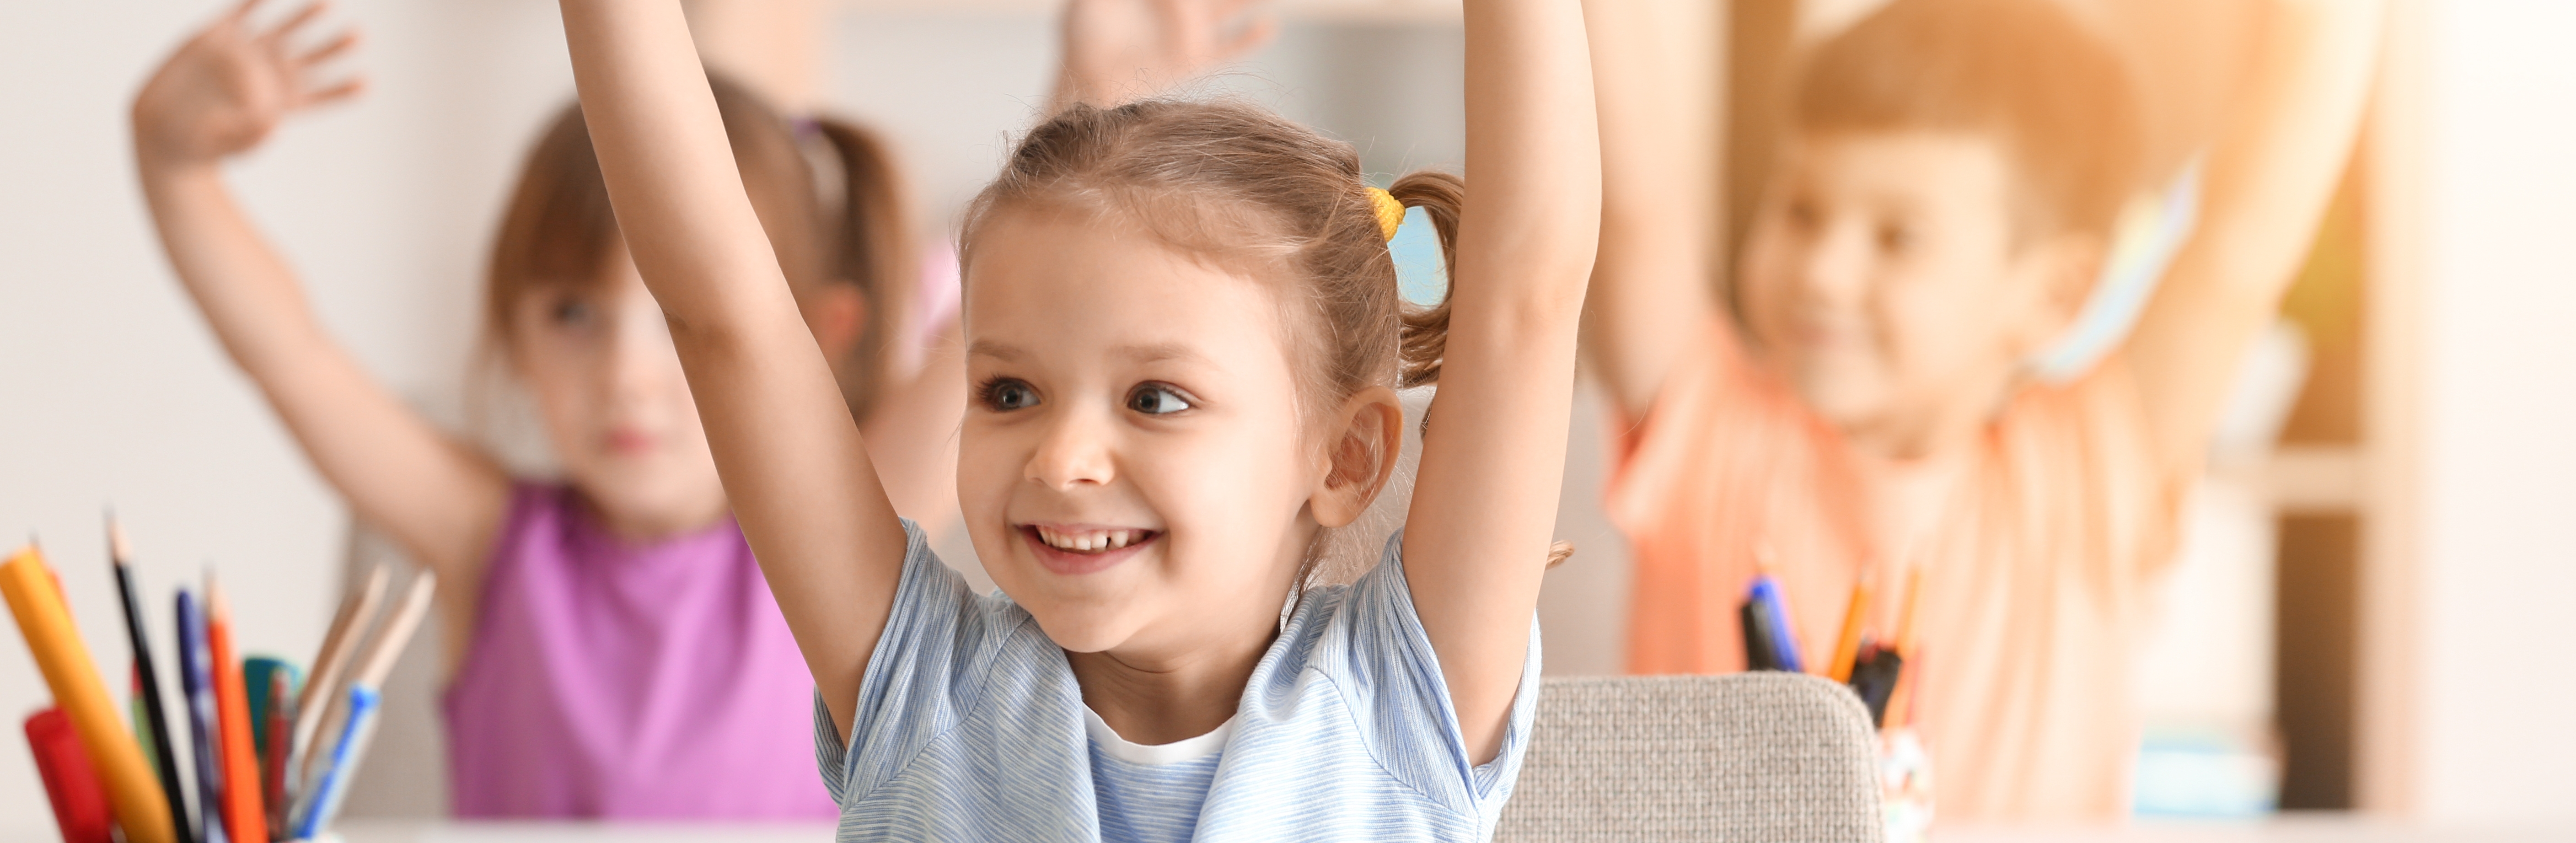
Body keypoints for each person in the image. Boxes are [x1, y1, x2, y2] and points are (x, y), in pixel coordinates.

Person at [551, 0, 1595, 836]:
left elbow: (1526, 297)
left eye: (1155, 398)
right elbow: (720, 310)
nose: (1061, 455)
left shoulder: (1396, 709)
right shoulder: (924, 695)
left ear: (1344, 455)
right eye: (1009, 393)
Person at [130, 0, 949, 817]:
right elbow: (292, 358)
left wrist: (1088, 76)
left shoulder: (847, 537)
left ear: (822, 337)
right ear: (513, 333)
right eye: (573, 314)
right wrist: (175, 168)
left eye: (676, 323)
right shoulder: (489, 539)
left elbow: (1003, 332)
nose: (624, 376)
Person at [1581, 0, 2383, 821]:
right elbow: (1633, 203)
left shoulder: (2083, 474)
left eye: (1900, 237)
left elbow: (2240, 252)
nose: (1822, 270)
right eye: (1801, 210)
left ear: (2054, 295)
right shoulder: (1711, 438)